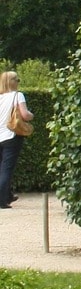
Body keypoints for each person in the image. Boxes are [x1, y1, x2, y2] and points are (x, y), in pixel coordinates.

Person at [0, 70, 32, 209]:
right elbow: (24, 115)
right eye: (17, 80)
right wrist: (31, 115)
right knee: (7, 168)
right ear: (13, 82)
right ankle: (2, 200)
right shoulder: (18, 96)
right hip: (11, 135)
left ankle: (7, 195)